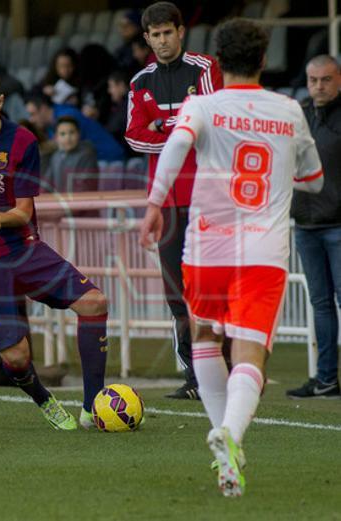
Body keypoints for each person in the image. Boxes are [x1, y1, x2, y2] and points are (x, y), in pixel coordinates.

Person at [140, 18, 323, 497]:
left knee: (203, 334)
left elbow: (176, 144)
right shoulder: (288, 110)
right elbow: (315, 179)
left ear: (218, 63)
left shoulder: (203, 104)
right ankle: (231, 434)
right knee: (249, 352)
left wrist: (156, 204)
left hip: (205, 246)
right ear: (263, 60)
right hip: (262, 250)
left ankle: (225, 449)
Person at [0, 68, 109, 430]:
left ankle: (93, 409)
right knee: (16, 358)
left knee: (95, 303)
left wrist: (1, 218)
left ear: (1, 102)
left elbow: (25, 210)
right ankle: (45, 400)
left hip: (22, 249)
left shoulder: (23, 142)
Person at [125, 1, 223, 400]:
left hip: (206, 195)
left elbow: (213, 124)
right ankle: (195, 378)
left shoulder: (205, 69)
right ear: (147, 38)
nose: (163, 41)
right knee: (175, 292)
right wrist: (181, 128)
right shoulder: (140, 82)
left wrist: (161, 126)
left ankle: (226, 371)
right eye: (156, 35)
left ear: (181, 32)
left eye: (169, 32)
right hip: (165, 202)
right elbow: (132, 137)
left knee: (212, 285)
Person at [287, 55, 341, 399]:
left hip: (338, 224)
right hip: (305, 223)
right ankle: (326, 379)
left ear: (338, 80)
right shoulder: (299, 114)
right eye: (312, 80)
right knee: (320, 304)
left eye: (325, 79)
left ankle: (326, 377)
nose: (318, 86)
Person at [25, 93, 124, 165]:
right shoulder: (50, 126)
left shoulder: (67, 115)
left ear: (43, 108)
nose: (31, 120)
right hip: (96, 162)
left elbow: (57, 146)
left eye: (32, 114)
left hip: (110, 160)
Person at [44, 116, 98, 194]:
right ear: (56, 137)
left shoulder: (87, 155)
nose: (68, 138)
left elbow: (86, 186)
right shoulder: (56, 156)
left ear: (79, 134)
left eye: (72, 132)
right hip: (61, 202)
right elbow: (47, 184)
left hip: (81, 201)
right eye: (62, 134)